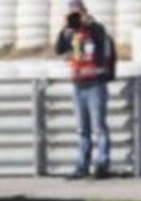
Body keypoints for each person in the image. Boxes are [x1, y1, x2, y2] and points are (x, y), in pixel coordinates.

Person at [54, 1, 114, 179]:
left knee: (99, 127)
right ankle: (82, 165)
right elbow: (58, 49)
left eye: (77, 13)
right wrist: (64, 28)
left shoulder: (96, 29)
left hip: (95, 82)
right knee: (82, 128)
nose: (75, 16)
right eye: (71, 13)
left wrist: (89, 23)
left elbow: (102, 42)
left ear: (84, 12)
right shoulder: (70, 32)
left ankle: (102, 164)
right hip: (78, 83)